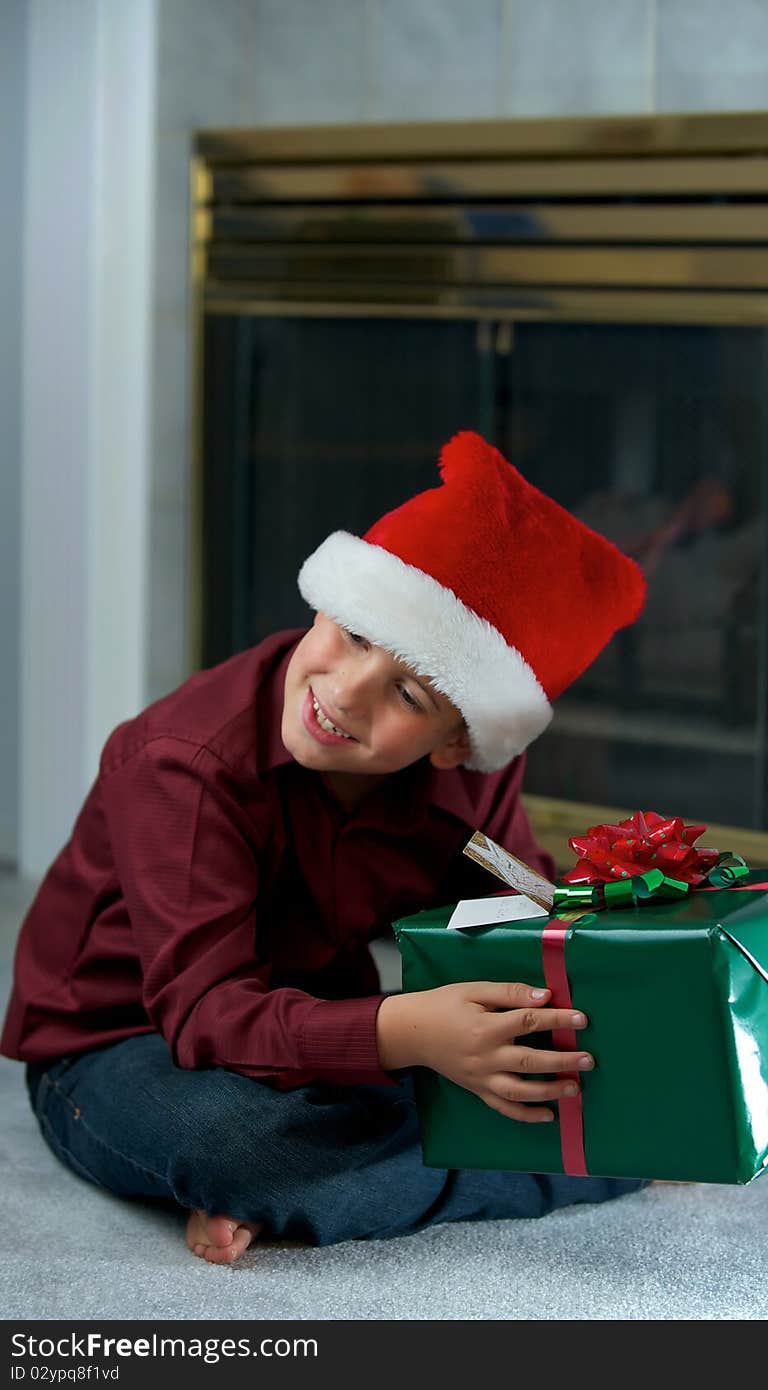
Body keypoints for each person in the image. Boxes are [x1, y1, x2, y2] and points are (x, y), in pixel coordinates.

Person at [1, 430, 647, 1264]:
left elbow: (515, 902)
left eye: (406, 693)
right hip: (125, 1045)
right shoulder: (184, 766)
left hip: (313, 1026)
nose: (343, 693)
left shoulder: (467, 786)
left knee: (552, 1063)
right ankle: (570, 1169)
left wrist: (591, 956)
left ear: (458, 741)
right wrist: (412, 1035)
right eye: (350, 635)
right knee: (244, 1146)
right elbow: (205, 1015)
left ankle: (319, 1182)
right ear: (323, 605)